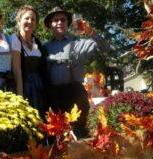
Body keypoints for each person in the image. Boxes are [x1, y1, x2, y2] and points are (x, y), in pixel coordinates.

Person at [43, 6, 111, 139]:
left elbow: (106, 48)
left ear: (68, 23)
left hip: (75, 94)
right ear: (50, 25)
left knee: (82, 134)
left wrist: (91, 32)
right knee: (55, 136)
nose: (59, 23)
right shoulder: (44, 47)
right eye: (55, 20)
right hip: (53, 95)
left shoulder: (80, 43)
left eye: (63, 20)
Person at [11, 5, 47, 115]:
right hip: (22, 86)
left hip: (39, 86)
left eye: (33, 19)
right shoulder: (13, 39)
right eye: (26, 18)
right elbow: (16, 69)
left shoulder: (38, 42)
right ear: (19, 20)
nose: (30, 21)